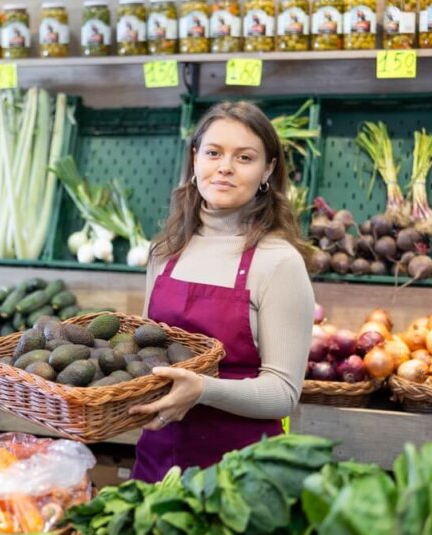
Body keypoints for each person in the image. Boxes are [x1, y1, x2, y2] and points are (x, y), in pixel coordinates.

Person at [128, 101, 314, 481]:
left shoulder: (278, 263)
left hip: (242, 475)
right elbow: (152, 352)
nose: (225, 167)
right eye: (213, 153)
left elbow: (283, 393)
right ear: (196, 159)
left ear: (268, 170)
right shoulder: (165, 253)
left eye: (244, 157)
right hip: (158, 461)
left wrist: (203, 390)